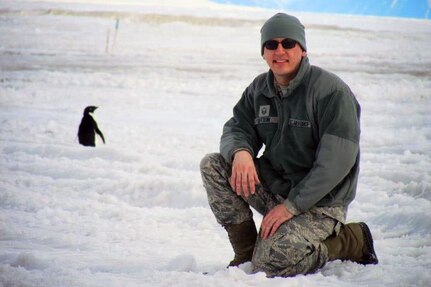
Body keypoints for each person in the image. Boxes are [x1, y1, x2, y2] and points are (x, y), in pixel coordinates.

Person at [200, 12, 378, 277]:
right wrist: (241, 152)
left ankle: (350, 240)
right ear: (263, 52)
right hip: (276, 187)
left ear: (303, 50)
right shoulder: (260, 89)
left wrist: (291, 207)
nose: (279, 51)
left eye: (288, 43)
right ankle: (246, 252)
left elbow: (334, 164)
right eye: (271, 44)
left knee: (271, 263)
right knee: (214, 165)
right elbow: (238, 127)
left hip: (320, 202)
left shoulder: (331, 92)